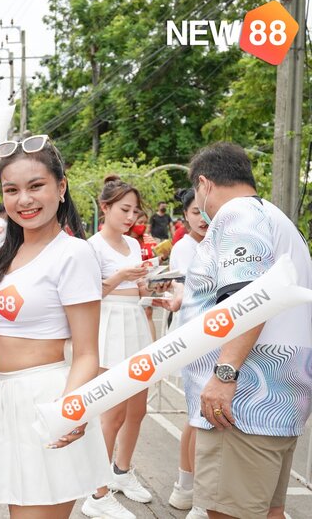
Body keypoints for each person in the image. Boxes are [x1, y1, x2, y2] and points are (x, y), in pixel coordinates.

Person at [0, 135, 110, 519]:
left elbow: (87, 352)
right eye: (12, 190)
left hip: (49, 398)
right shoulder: (6, 254)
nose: (24, 200)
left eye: (36, 186)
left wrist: (71, 408)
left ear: (61, 187)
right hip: (6, 398)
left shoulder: (74, 254)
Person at [179, 142, 311, 519]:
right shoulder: (275, 219)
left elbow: (248, 297)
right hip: (278, 399)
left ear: (204, 184)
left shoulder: (236, 216)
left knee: (229, 512)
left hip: (243, 401)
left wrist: (224, 373)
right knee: (270, 511)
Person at [83, 176, 153, 519]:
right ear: (105, 207)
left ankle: (120, 472)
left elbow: (140, 292)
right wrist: (120, 278)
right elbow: (88, 296)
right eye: (125, 209)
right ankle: (96, 493)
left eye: (135, 211)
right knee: (110, 413)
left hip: (135, 323)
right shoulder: (91, 247)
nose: (131, 216)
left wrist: (150, 285)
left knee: (136, 409)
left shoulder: (134, 245)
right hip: (108, 325)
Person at [153, 189, 209, 519]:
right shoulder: (184, 248)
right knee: (199, 417)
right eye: (196, 212)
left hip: (213, 338)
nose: (203, 218)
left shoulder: (218, 244)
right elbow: (187, 293)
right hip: (195, 337)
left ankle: (187, 488)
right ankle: (195, 492)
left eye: (207, 212)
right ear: (184, 215)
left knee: (200, 416)